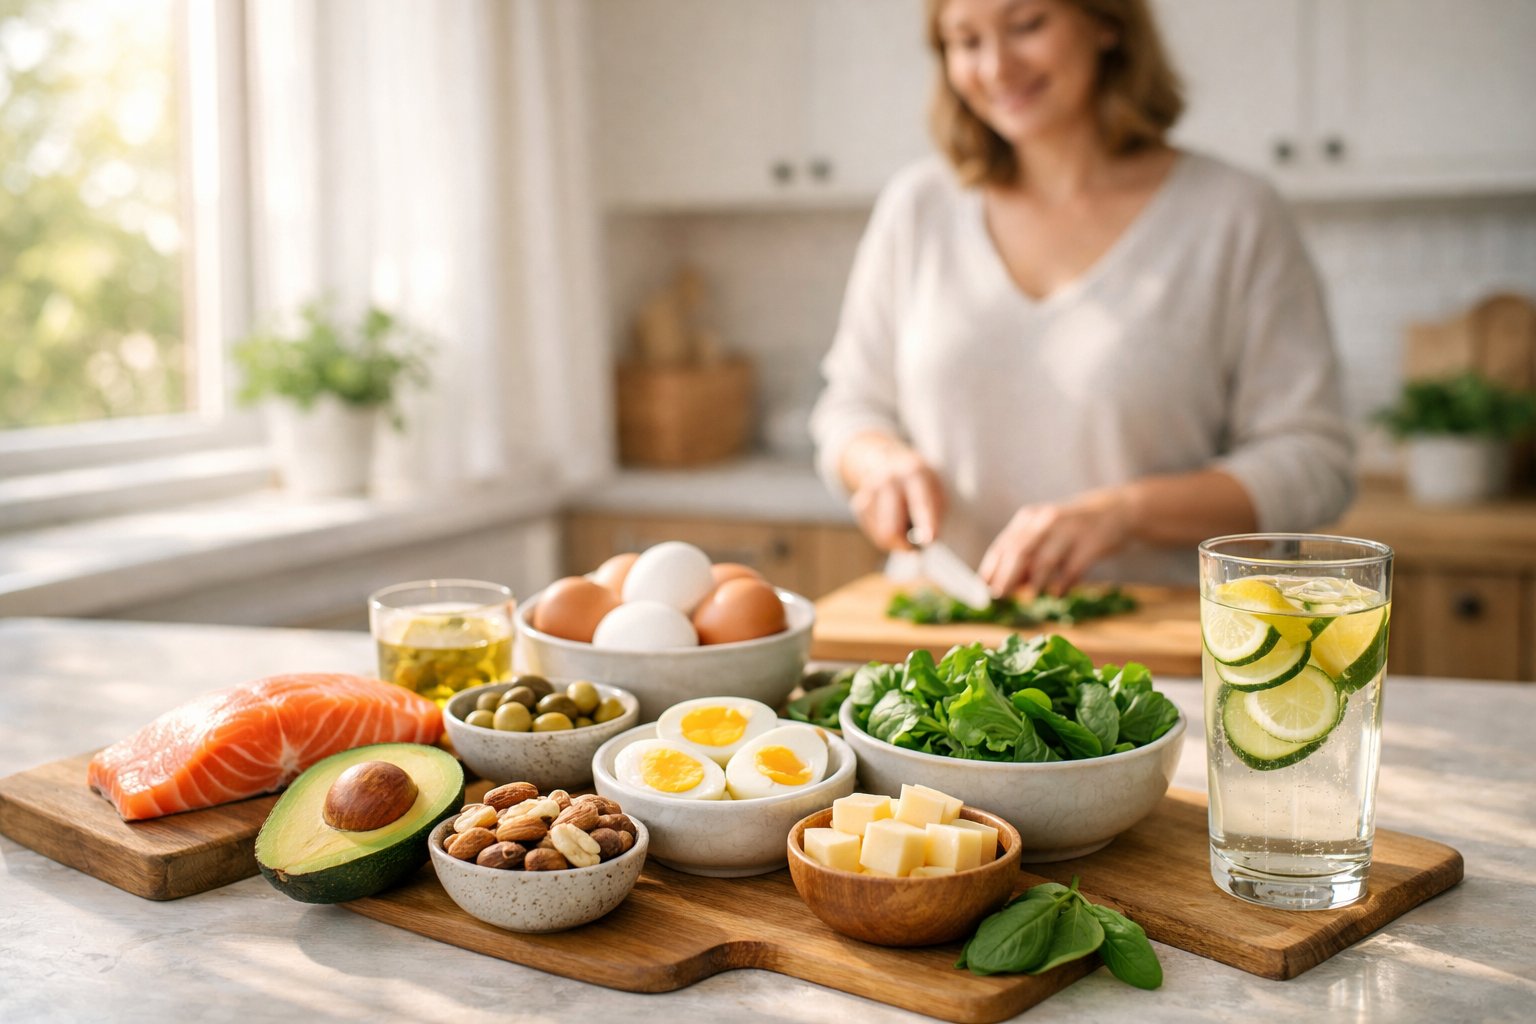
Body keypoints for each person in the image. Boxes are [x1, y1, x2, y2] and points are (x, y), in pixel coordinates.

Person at [809, 0, 1354, 595]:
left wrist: (1124, 515)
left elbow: (1313, 461)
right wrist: (881, 463)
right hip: (942, 649)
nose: (995, 68)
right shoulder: (918, 209)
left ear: (1106, 22)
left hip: (1145, 652)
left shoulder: (1234, 216)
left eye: (1026, 26)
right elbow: (849, 410)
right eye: (966, 41)